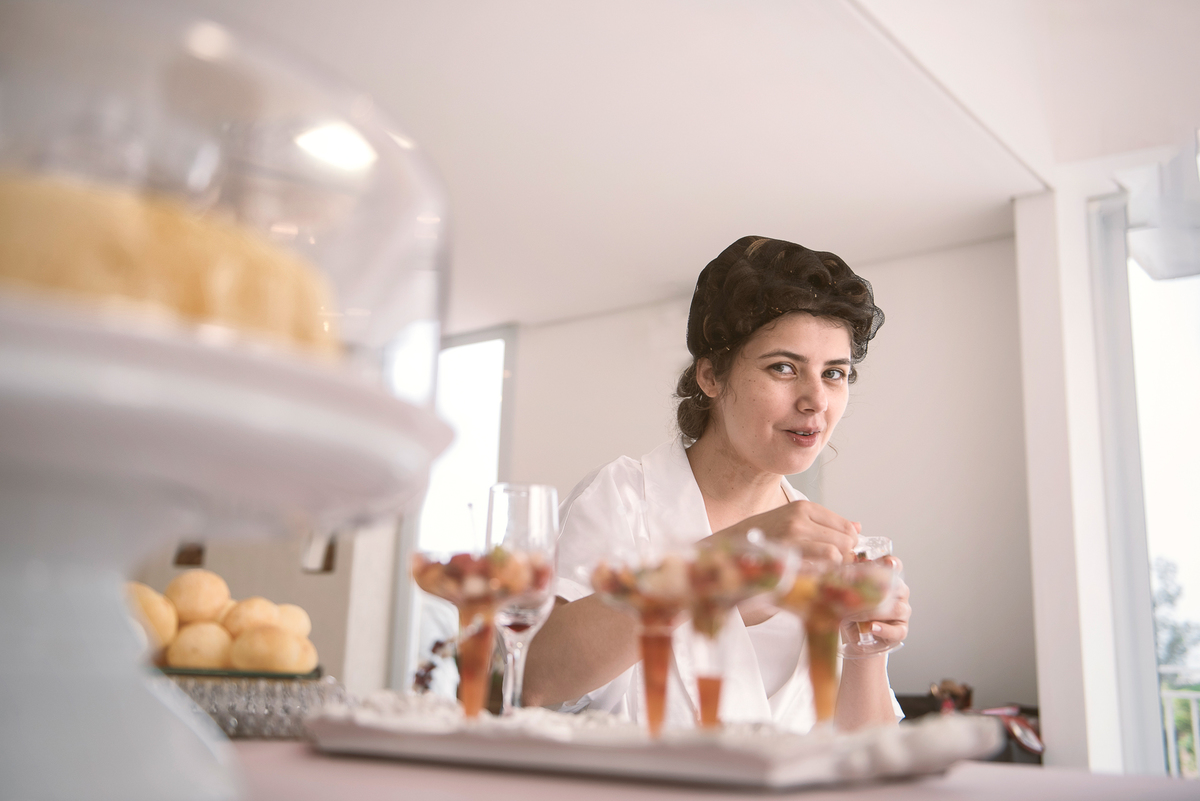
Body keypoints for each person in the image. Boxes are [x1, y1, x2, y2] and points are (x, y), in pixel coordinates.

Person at [522, 236, 910, 733]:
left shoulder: (825, 547)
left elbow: (868, 755)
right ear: (710, 375)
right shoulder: (624, 496)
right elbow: (536, 678)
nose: (816, 399)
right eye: (784, 367)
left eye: (835, 373)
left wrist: (865, 654)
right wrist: (724, 560)